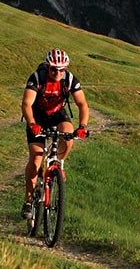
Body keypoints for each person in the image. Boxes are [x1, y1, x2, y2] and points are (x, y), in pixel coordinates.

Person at [21, 48, 90, 217]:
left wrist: (82, 126)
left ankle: (56, 165)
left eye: (62, 69)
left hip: (57, 113)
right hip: (37, 116)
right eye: (53, 69)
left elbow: (82, 104)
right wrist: (32, 124)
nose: (58, 72)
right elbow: (26, 104)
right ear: (48, 66)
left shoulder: (70, 79)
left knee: (68, 137)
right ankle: (29, 201)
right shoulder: (37, 78)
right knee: (36, 158)